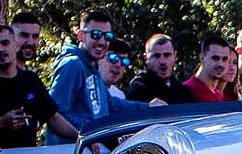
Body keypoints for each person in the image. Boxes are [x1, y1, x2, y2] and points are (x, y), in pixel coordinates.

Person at [49, 7, 165, 141]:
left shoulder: (92, 67)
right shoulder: (72, 65)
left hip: (89, 152)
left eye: (107, 36)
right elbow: (56, 114)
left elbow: (110, 104)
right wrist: (93, 130)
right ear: (81, 36)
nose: (102, 42)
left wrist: (148, 107)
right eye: (96, 35)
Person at [0, 24, 71, 148]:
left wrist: (81, 138)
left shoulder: (31, 79)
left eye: (5, 43)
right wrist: (2, 122)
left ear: (15, 46)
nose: (0, 49)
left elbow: (53, 119)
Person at [125, 34, 197, 104]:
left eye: (167, 55)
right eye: (156, 56)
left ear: (175, 56)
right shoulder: (138, 91)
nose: (162, 61)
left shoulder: (184, 93)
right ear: (146, 58)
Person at [183, 34, 234, 102]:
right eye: (215, 58)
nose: (220, 64)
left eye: (225, 59)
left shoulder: (217, 94)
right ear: (202, 58)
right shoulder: (189, 91)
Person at [101, 38, 132, 102]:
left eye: (124, 61)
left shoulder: (119, 96)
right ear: (99, 59)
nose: (118, 65)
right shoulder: (83, 89)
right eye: (113, 58)